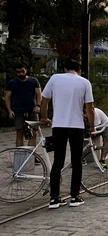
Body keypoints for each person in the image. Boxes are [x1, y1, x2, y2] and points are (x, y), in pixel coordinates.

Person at [40, 58, 95, 209]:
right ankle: (74, 197)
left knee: (58, 161)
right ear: (79, 69)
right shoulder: (84, 82)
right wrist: (92, 126)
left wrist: (44, 117)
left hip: (58, 125)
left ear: (64, 68)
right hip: (76, 126)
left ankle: (54, 198)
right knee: (77, 161)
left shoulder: (54, 78)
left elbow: (44, 100)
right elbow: (90, 108)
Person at [4, 62, 42, 147]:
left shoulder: (33, 81)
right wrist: (10, 110)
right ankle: (20, 156)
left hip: (32, 110)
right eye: (18, 72)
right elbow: (7, 97)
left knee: (34, 132)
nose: (20, 73)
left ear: (26, 70)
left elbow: (39, 94)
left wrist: (38, 105)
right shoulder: (12, 83)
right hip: (18, 110)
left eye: (22, 71)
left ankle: (31, 154)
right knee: (19, 133)